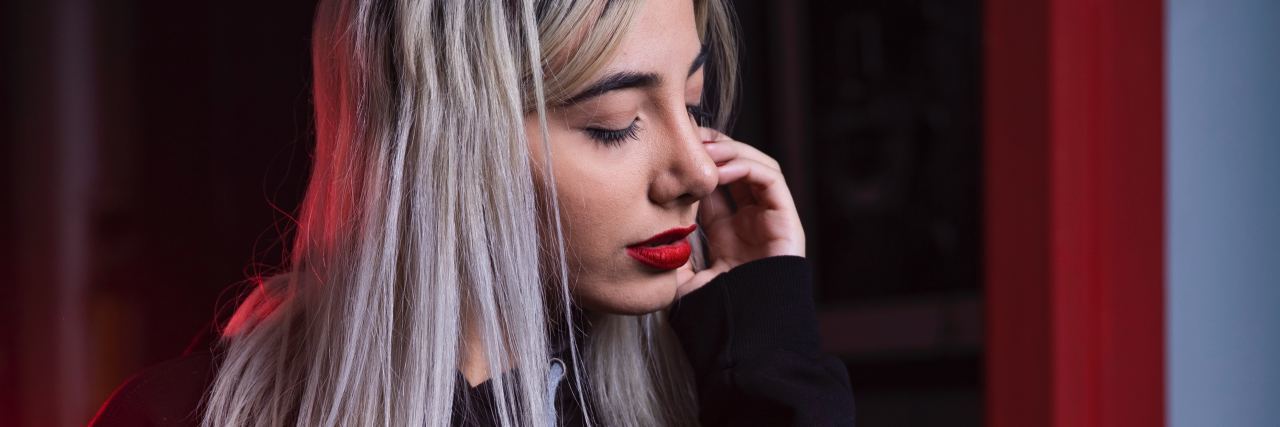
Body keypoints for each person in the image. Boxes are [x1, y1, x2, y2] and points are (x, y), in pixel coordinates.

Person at [91, 0, 855, 425]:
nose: (695, 170)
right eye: (616, 121)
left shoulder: (705, 391)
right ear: (446, 146)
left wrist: (769, 348)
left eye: (692, 104)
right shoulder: (182, 417)